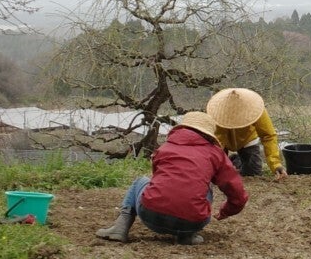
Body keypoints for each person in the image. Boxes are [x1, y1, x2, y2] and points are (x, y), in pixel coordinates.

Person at [95, 111, 247, 245]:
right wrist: (226, 211)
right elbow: (237, 192)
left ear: (182, 129)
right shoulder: (215, 153)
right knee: (203, 187)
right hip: (192, 222)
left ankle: (120, 227)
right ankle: (186, 236)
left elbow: (157, 179)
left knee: (139, 182)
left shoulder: (165, 147)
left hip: (151, 216)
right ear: (209, 134)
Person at [206, 87, 285, 182]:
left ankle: (237, 160)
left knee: (253, 173)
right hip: (224, 141)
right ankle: (232, 161)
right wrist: (219, 163)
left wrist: (275, 164)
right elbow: (217, 139)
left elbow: (268, 135)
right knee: (218, 173)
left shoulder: (256, 109)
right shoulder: (216, 112)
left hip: (248, 138)